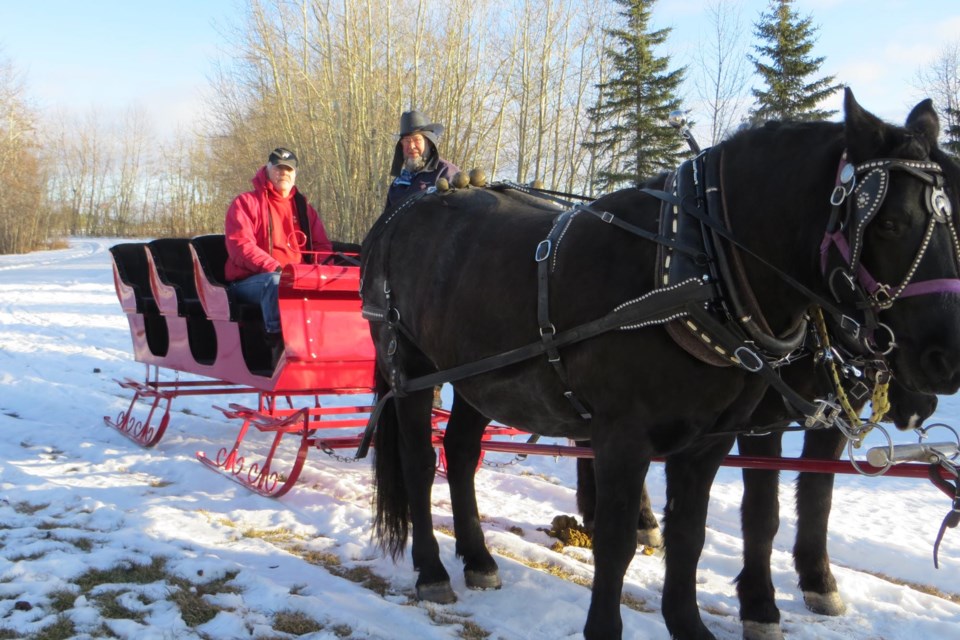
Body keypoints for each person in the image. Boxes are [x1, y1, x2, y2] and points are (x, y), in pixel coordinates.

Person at [224, 147, 332, 338]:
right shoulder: (246, 203)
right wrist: (276, 268)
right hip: (252, 281)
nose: (283, 173)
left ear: (295, 174)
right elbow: (240, 247)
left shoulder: (304, 210)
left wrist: (320, 272)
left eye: (288, 169)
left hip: (299, 279)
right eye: (278, 168)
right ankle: (277, 343)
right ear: (267, 169)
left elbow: (322, 246)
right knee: (275, 284)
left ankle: (328, 342)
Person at [385, 110, 460, 209]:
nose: (411, 146)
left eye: (417, 140)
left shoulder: (446, 172)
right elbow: (387, 221)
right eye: (407, 141)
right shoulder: (398, 183)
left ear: (428, 142)